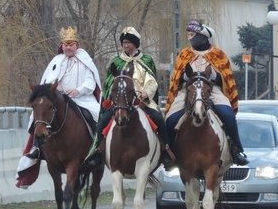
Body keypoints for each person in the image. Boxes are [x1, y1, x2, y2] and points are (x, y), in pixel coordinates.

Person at [84, 27, 172, 169]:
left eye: (128, 42)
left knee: (158, 118)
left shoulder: (146, 60)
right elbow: (110, 84)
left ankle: (166, 149)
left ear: (135, 44)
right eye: (124, 42)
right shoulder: (116, 62)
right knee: (104, 120)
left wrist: (146, 93)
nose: (125, 45)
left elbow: (152, 81)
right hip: (120, 101)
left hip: (141, 101)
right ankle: (98, 151)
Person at [164, 19, 249, 166]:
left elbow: (226, 76)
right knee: (170, 120)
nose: (190, 38)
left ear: (202, 37)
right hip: (188, 90)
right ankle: (168, 153)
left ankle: (236, 149)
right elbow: (176, 78)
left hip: (212, 89)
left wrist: (214, 75)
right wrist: (186, 75)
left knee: (227, 115)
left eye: (192, 35)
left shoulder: (218, 55)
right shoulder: (184, 54)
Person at [24, 26, 102, 161]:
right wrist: (55, 89)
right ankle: (36, 147)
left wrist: (79, 90)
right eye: (65, 45)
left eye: (71, 45)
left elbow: (90, 82)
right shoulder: (57, 61)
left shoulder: (85, 60)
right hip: (61, 99)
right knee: (38, 116)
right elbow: (48, 81)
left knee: (98, 115)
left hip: (82, 98)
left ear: (76, 45)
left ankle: (98, 148)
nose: (68, 48)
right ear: (62, 46)